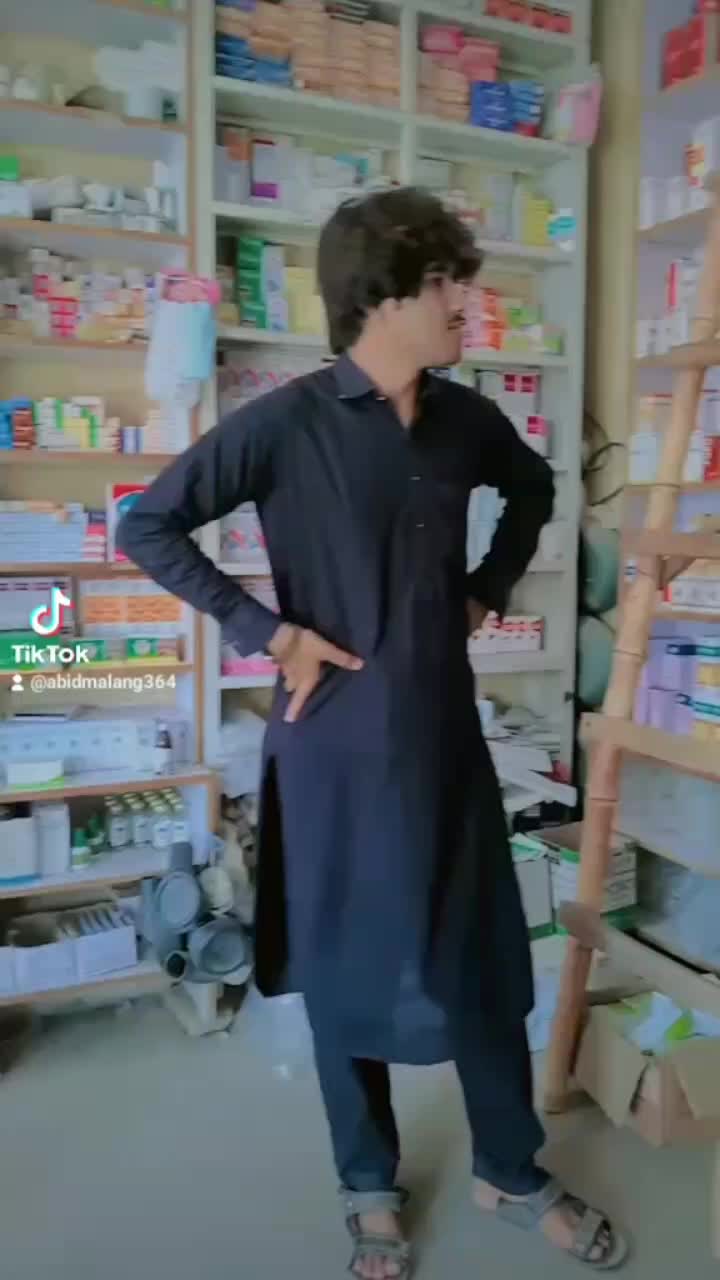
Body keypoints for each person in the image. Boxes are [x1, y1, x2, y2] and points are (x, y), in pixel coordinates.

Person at [117, 187, 627, 1277]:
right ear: (383, 297)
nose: (466, 304)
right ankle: (368, 1180)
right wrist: (269, 631)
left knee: (481, 958)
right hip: (333, 749)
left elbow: (535, 489)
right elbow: (147, 523)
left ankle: (510, 1167)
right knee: (347, 968)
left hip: (445, 740)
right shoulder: (287, 423)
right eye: (447, 284)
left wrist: (486, 588)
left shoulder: (464, 420)